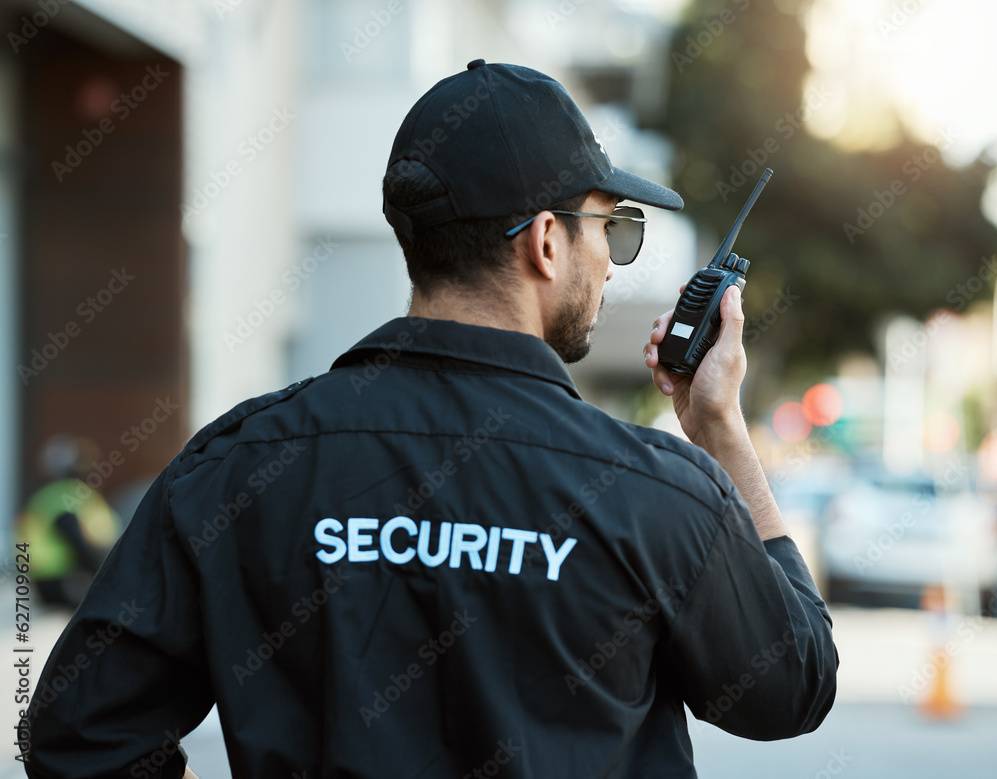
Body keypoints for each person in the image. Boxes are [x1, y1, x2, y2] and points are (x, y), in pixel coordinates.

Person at [21, 60, 837, 778]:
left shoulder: (237, 465)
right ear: (547, 242)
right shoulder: (656, 493)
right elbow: (792, 684)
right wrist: (722, 431)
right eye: (610, 228)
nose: (608, 262)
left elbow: (78, 736)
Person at [16, 435, 119, 611]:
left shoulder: (48, 495)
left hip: (46, 582)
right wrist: (109, 576)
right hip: (63, 580)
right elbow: (76, 541)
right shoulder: (67, 496)